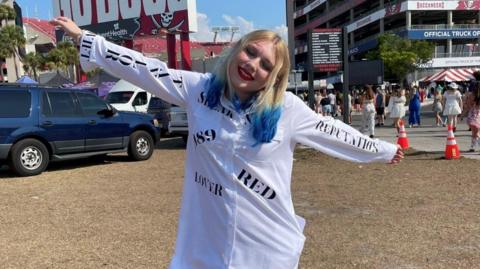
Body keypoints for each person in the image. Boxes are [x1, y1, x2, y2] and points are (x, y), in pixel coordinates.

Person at [50, 17, 403, 269]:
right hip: (207, 243)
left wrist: (383, 150)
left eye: (265, 65)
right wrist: (87, 39)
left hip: (266, 246)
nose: (252, 64)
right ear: (237, 50)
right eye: (250, 52)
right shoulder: (199, 89)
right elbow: (144, 68)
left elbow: (334, 132)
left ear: (273, 79)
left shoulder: (287, 111)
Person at [463, 82, 480, 152]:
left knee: (474, 133)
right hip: (478, 116)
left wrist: (462, 114)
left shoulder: (471, 95)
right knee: (476, 133)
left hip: (472, 116)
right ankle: (472, 147)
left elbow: (467, 106)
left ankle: (472, 147)